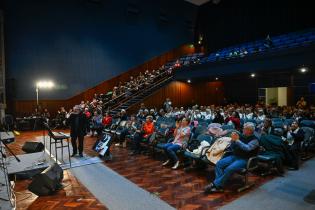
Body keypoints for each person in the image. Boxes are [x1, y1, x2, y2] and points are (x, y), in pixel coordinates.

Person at [204, 122, 259, 194]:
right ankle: (219, 185)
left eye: (244, 129)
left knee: (229, 168)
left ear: (249, 130)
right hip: (235, 156)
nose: (243, 130)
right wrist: (233, 141)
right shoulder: (242, 136)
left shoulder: (255, 140)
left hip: (244, 159)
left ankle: (215, 184)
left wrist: (237, 140)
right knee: (219, 164)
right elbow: (233, 147)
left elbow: (247, 148)